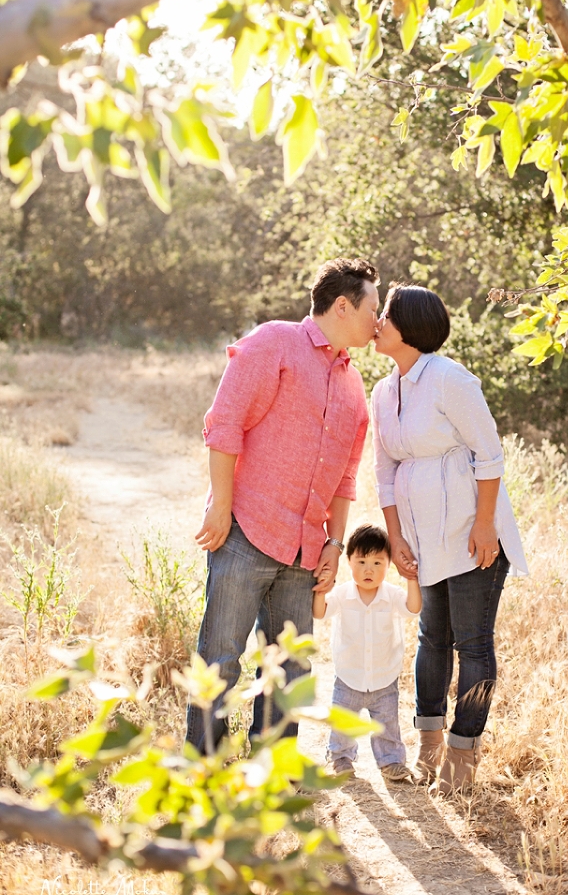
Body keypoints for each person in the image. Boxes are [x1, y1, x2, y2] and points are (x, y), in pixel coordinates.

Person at [186, 257, 380, 754]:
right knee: (220, 660)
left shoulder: (354, 388)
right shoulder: (274, 342)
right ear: (342, 306)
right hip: (246, 534)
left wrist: (335, 543)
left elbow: (345, 478)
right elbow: (224, 422)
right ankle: (205, 770)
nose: (377, 322)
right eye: (371, 309)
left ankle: (271, 772)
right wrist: (220, 505)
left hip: (304, 552)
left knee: (290, 668)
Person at [370, 283, 528, 794]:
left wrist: (486, 525)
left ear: (410, 327)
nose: (377, 323)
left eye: (386, 315)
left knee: (473, 643)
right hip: (419, 536)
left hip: (469, 535)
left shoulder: (449, 379)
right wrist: (395, 538)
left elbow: (490, 454)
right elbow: (385, 472)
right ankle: (428, 749)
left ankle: (463, 759)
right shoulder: (383, 391)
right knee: (431, 640)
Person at [313, 523, 421, 781]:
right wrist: (321, 591)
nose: (368, 570)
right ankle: (340, 758)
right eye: (361, 562)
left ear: (388, 564)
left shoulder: (392, 595)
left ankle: (391, 762)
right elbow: (320, 613)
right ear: (348, 561)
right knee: (342, 723)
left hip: (384, 677)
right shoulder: (342, 595)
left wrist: (412, 579)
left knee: (387, 725)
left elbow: (413, 609)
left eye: (377, 562)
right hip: (349, 676)